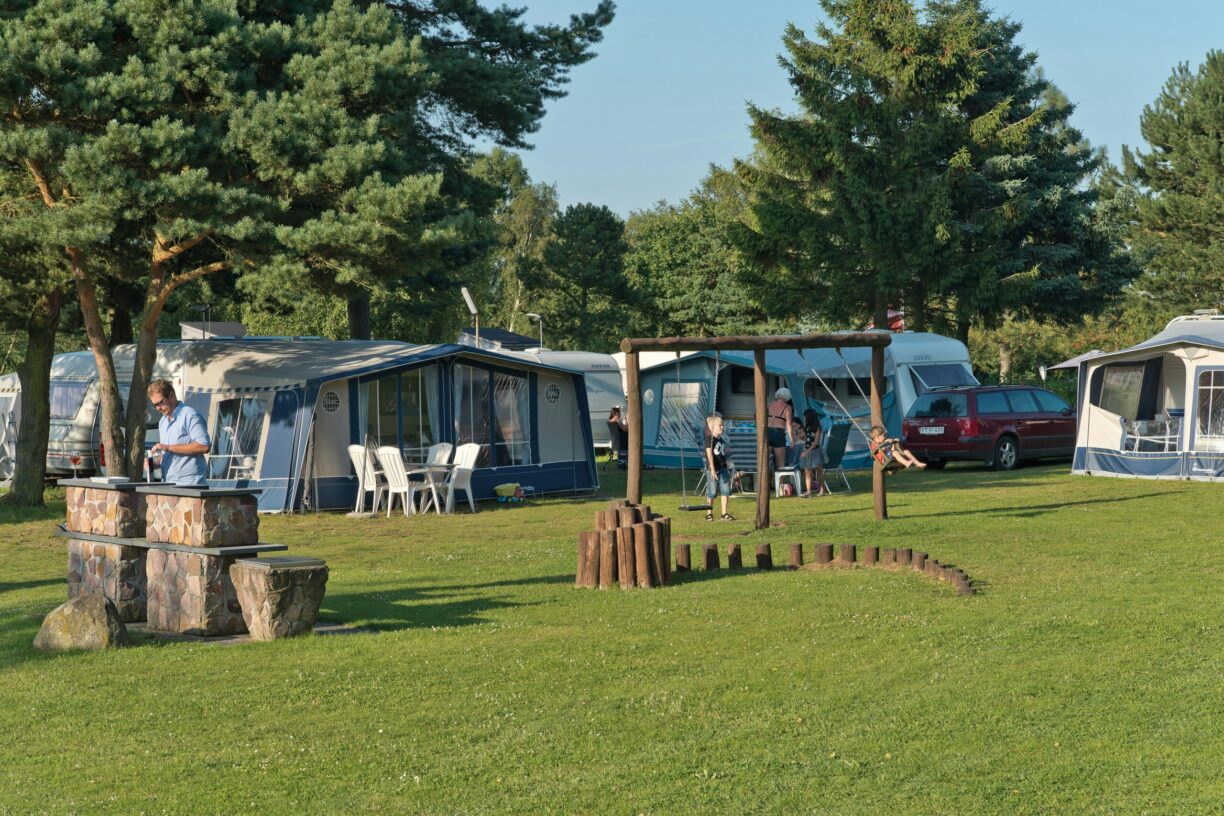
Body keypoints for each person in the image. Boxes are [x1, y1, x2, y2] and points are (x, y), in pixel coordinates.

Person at [148, 379, 211, 485]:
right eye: (155, 405)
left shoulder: (190, 415)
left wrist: (168, 447)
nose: (158, 408)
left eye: (161, 402)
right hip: (168, 482)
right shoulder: (163, 421)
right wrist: (153, 463)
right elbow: (168, 455)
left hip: (190, 484)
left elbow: (204, 446)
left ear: (171, 395)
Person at [703, 412, 735, 521]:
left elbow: (722, 454)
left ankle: (724, 513)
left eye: (722, 425)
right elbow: (709, 455)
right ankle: (709, 513)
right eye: (720, 425)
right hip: (713, 470)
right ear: (712, 428)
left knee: (725, 491)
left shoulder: (721, 440)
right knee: (711, 492)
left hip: (723, 468)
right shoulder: (709, 439)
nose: (722, 427)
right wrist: (712, 470)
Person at [799, 409, 829, 496]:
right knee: (807, 471)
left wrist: (807, 452)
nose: (804, 418)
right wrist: (800, 435)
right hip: (807, 450)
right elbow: (805, 439)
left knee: (819, 471)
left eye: (805, 417)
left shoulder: (817, 427)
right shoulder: (806, 427)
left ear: (809, 417)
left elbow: (816, 442)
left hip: (815, 451)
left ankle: (822, 489)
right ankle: (808, 491)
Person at [766, 387, 794, 472]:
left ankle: (768, 479)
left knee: (766, 461)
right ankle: (780, 480)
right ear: (787, 397)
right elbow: (788, 424)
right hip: (778, 433)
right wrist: (792, 440)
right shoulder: (788, 407)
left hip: (767, 432)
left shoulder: (769, 404)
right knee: (780, 463)